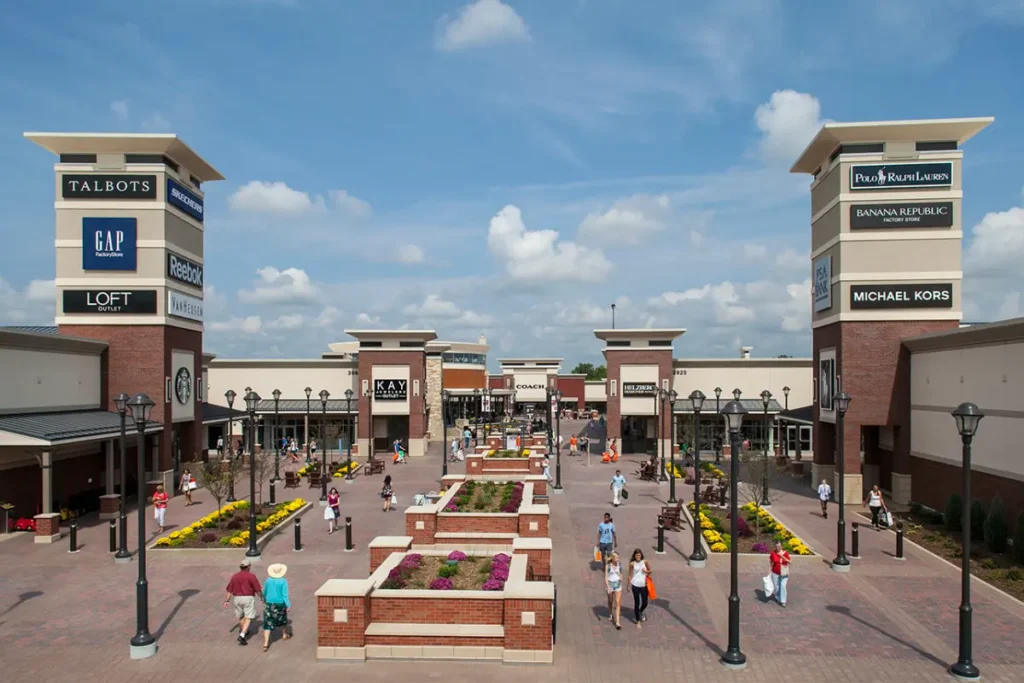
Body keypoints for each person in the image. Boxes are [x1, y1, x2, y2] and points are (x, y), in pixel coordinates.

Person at [224, 558, 264, 645]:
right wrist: (262, 597)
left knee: (241, 616)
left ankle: (244, 631)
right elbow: (257, 589)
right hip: (248, 598)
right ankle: (242, 635)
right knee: (248, 617)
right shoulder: (251, 576)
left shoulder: (235, 576)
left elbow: (229, 590)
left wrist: (227, 601)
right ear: (249, 567)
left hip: (237, 598)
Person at [262, 563, 291, 652]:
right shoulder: (283, 581)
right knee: (282, 619)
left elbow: (265, 591)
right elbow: (285, 594)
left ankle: (266, 643)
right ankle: (284, 634)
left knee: (267, 622)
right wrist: (288, 604)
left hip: (270, 603)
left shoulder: (268, 581)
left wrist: (264, 599)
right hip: (280, 603)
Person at [628, 548, 652, 628]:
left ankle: (640, 611)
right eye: (636, 555)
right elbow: (630, 575)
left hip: (644, 585)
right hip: (635, 585)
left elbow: (650, 570)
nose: (638, 557)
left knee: (645, 602)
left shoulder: (645, 561)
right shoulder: (632, 563)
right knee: (637, 602)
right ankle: (638, 621)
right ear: (634, 556)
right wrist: (628, 585)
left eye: (639, 555)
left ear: (641, 555)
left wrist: (646, 572)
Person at [769, 540, 791, 607]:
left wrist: (782, 556)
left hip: (784, 573)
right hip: (775, 572)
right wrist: (769, 571)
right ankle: (778, 597)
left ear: (781, 546)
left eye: (779, 546)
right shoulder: (773, 553)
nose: (777, 548)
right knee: (777, 586)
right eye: (776, 546)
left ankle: (783, 601)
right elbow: (771, 562)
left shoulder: (785, 553)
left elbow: (790, 562)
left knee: (783, 586)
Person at [605, 551, 623, 630]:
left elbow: (621, 573)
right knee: (610, 600)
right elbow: (605, 576)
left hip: (618, 585)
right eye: (616, 558)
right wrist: (607, 586)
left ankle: (617, 622)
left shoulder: (620, 565)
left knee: (618, 602)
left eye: (618, 557)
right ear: (612, 558)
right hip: (610, 584)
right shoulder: (608, 566)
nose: (617, 559)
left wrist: (621, 577)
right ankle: (610, 613)